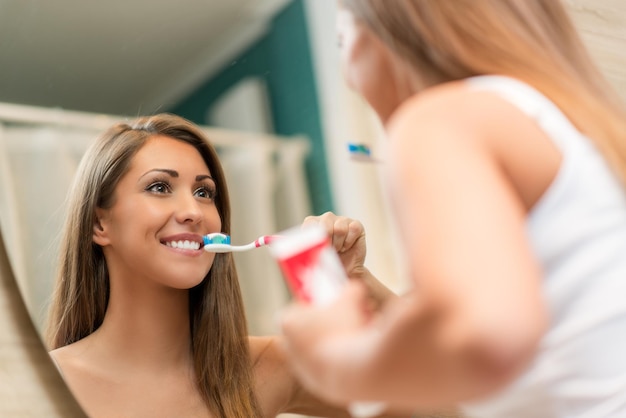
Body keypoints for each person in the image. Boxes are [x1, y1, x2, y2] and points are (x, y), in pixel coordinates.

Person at [279, 1, 626, 418]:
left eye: (341, 40)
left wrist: (337, 360)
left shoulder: (436, 120)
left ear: (390, 30)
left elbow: (486, 333)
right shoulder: (576, 128)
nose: (348, 80)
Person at [43, 113, 431, 418]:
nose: (194, 211)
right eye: (159, 187)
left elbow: (447, 401)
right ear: (99, 224)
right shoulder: (44, 384)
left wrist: (359, 282)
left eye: (204, 192)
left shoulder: (269, 367)